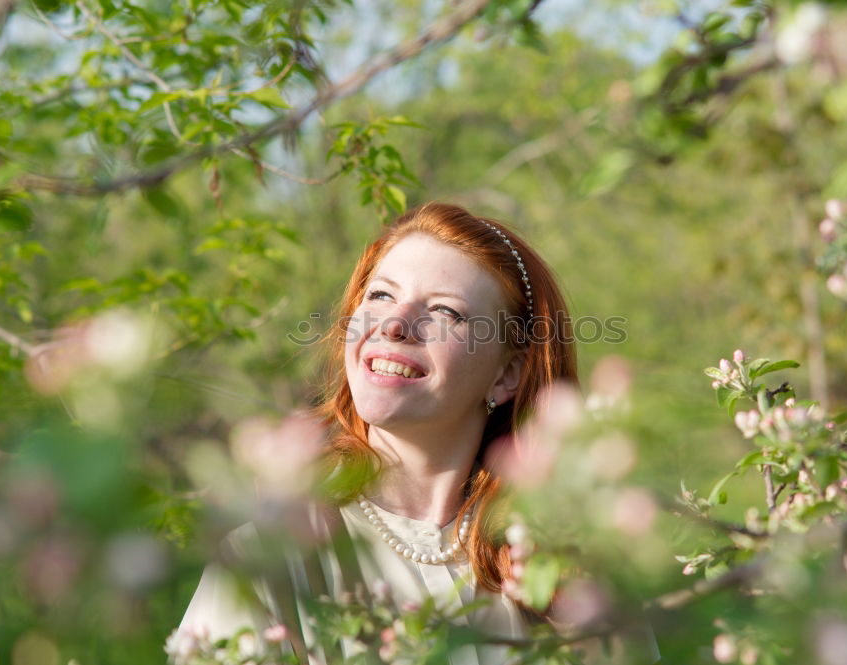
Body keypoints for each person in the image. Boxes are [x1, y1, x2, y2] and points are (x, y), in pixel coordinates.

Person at [173, 202, 583, 664]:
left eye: (446, 311)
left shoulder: (556, 574)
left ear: (507, 374)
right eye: (381, 296)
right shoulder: (274, 558)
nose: (393, 324)